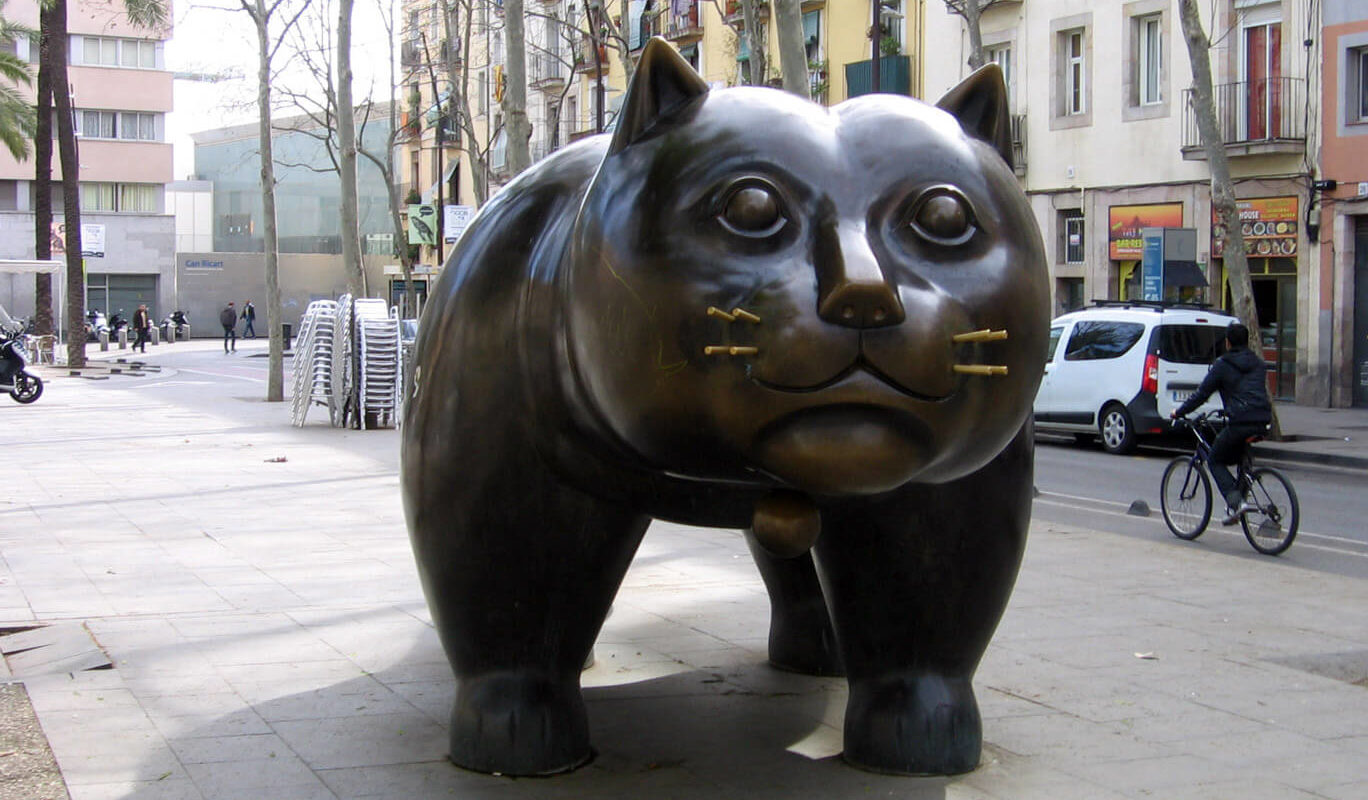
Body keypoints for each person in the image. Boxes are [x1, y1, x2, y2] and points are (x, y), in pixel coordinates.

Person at [1171, 322, 1273, 525]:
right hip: (1263, 419)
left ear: (1227, 343)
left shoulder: (1222, 365)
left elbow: (1201, 395)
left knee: (1215, 460)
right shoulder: (1258, 363)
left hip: (1240, 421)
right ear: (1248, 341)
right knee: (1240, 457)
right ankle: (1239, 497)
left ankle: (1236, 502)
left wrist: (1179, 412)